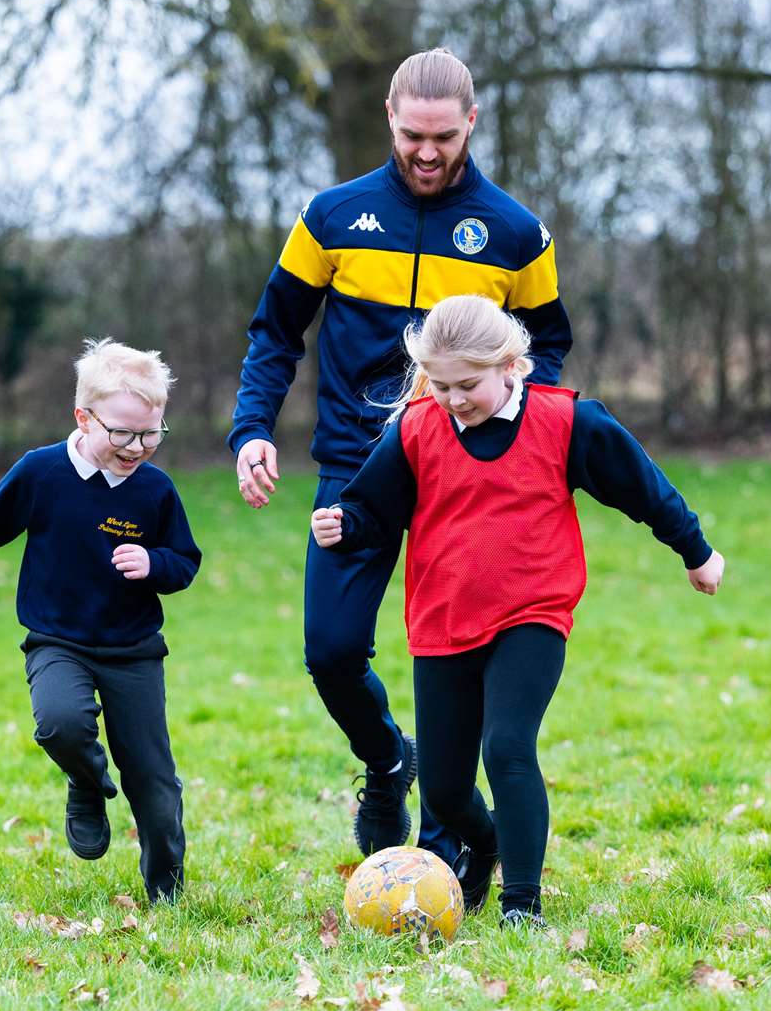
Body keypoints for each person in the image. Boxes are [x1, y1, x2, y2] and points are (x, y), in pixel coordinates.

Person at [229, 47, 573, 864]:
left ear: (471, 124)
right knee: (332, 650)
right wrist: (251, 430)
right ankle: (388, 762)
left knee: (457, 663)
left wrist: (511, 428)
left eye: (444, 136)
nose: (427, 151)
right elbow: (275, 332)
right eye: (413, 134)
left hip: (470, 479)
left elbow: (546, 344)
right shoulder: (331, 218)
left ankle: (448, 842)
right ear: (389, 117)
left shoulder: (517, 233)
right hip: (356, 468)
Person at [310, 295, 725, 927]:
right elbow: (374, 509)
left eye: (468, 385)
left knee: (507, 747)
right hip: (442, 622)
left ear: (512, 364)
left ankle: (521, 904)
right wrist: (345, 524)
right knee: (446, 791)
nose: (454, 399)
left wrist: (696, 550)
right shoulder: (418, 427)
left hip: (533, 611)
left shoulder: (567, 423)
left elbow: (644, 487)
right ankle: (488, 842)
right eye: (442, 385)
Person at [0, 338, 199, 904]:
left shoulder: (155, 490)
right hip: (57, 640)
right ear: (83, 416)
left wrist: (154, 563)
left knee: (154, 782)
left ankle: (165, 890)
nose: (136, 447)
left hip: (134, 648)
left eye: (150, 434)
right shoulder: (41, 472)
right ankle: (88, 783)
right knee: (60, 725)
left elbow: (186, 563)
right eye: (121, 432)